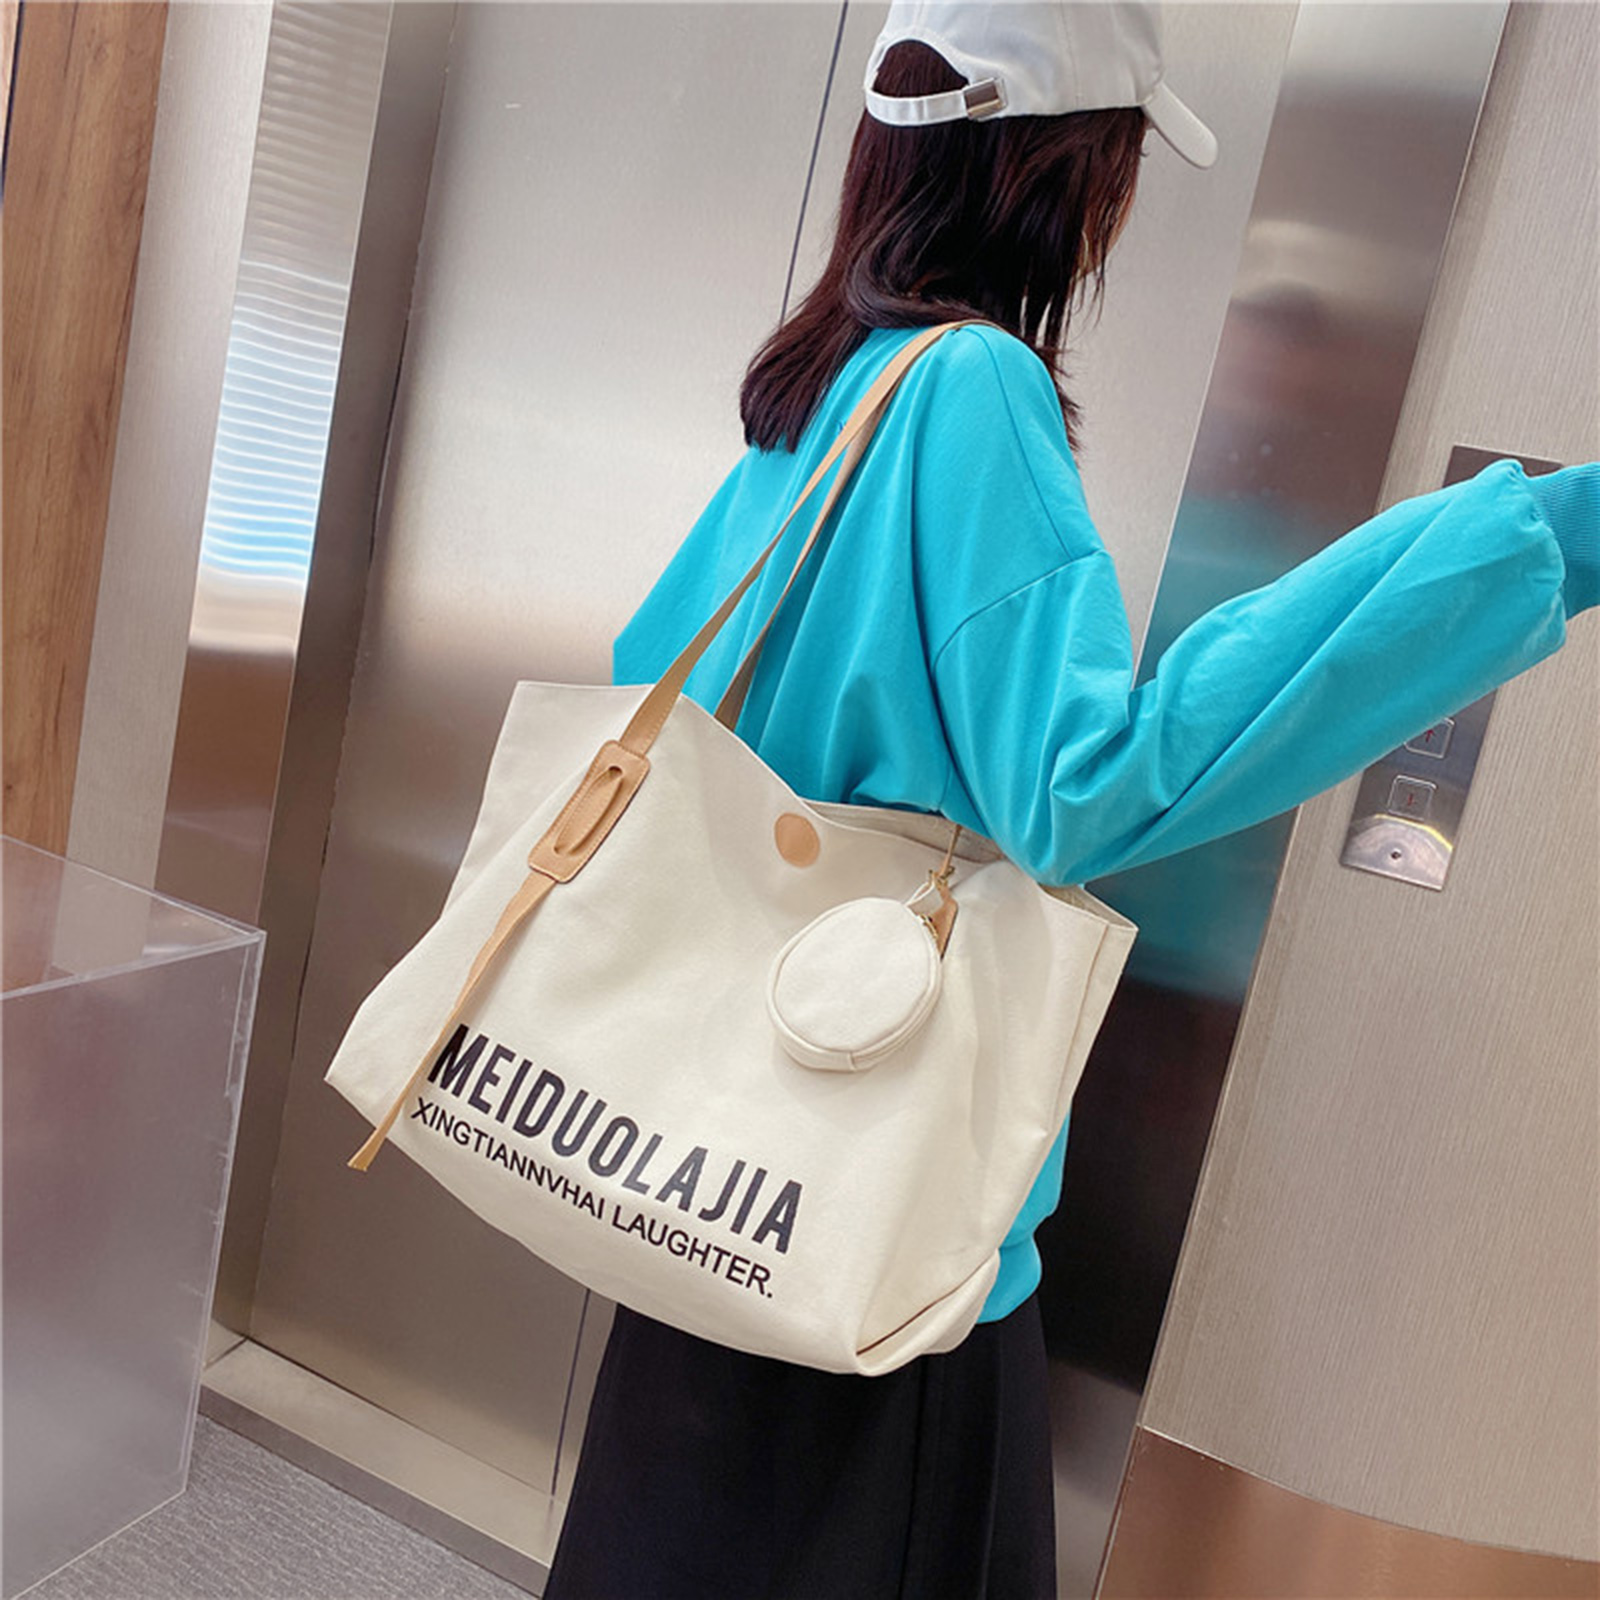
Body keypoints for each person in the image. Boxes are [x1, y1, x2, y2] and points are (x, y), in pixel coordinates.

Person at [545, 5, 1598, 1595]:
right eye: (1117, 159)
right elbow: (1084, 789)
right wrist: (1534, 542)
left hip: (709, 1168)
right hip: (873, 1203)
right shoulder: (972, 386)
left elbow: (660, 675)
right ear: (1058, 164)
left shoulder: (828, 377)